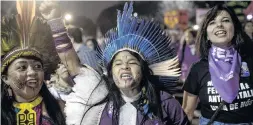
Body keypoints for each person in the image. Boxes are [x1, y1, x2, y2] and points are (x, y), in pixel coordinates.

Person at [40, 1, 190, 125]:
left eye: (132, 62)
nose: (124, 66)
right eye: (118, 64)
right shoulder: (100, 97)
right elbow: (71, 64)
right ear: (110, 71)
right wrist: (55, 22)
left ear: (143, 69)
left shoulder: (164, 102)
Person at [182, 4, 253, 124]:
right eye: (212, 22)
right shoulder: (198, 69)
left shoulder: (249, 62)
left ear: (234, 28)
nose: (219, 25)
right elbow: (187, 113)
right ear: (207, 35)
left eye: (225, 20)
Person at [1, 1, 66, 125]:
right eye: (22, 67)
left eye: (37, 66)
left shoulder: (61, 109)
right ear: (5, 78)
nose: (32, 72)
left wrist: (55, 21)